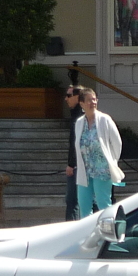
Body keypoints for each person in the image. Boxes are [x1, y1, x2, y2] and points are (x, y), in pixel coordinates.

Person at [72, 86, 125, 217]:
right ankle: (87, 235)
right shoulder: (79, 123)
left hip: (102, 170)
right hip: (85, 171)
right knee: (84, 208)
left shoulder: (104, 119)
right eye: (89, 100)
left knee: (104, 206)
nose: (93, 103)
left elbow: (117, 142)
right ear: (82, 103)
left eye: (94, 100)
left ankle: (108, 235)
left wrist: (112, 162)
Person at [62, 85, 83, 219]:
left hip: (79, 166)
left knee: (72, 200)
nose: (66, 99)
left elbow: (78, 143)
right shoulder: (75, 115)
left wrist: (72, 164)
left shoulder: (80, 117)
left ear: (77, 97)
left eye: (69, 96)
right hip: (77, 164)